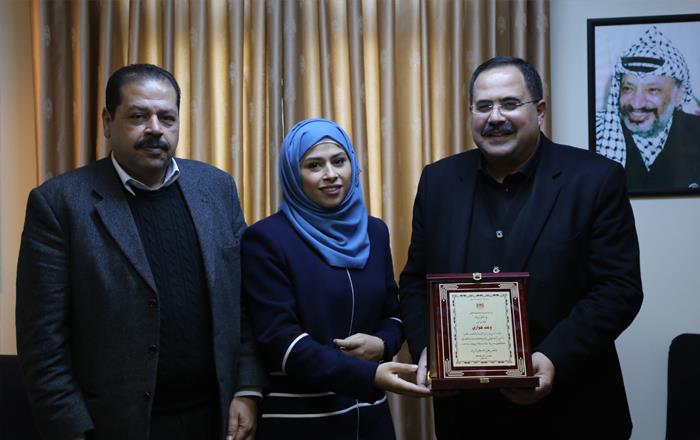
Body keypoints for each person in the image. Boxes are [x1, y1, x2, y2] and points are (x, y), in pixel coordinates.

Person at [16, 64, 266, 440]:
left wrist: (247, 388)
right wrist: (72, 430)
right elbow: (42, 342)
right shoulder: (59, 204)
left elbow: (243, 302)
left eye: (167, 117)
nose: (155, 129)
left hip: (216, 417)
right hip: (115, 425)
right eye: (138, 116)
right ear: (108, 122)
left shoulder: (216, 189)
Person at [400, 56, 643, 438]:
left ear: (540, 110)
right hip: (467, 416)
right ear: (471, 113)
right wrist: (427, 347)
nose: (495, 117)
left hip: (573, 409)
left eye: (510, 104)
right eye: (483, 106)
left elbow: (618, 289)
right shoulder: (438, 182)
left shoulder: (596, 179)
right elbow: (415, 281)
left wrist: (553, 357)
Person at [241, 118, 430, 439]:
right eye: (314, 165)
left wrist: (383, 343)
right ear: (292, 174)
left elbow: (393, 313)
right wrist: (368, 375)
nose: (330, 174)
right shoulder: (267, 239)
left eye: (339, 161)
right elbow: (280, 341)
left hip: (370, 421)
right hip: (302, 420)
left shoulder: (374, 231)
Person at [596, 26, 700, 193]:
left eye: (653, 90)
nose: (637, 103)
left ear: (679, 94)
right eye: (628, 88)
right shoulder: (601, 133)